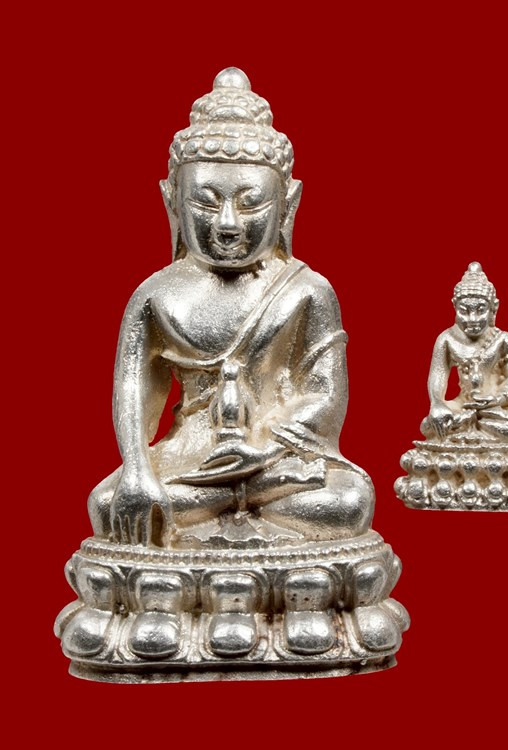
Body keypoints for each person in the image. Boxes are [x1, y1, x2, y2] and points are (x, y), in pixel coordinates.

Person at [88, 68, 373, 547]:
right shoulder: (156, 295)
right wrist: (137, 470)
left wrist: (263, 449)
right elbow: (133, 390)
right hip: (190, 458)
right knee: (108, 503)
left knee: (347, 502)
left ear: (288, 204)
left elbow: (325, 395)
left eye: (250, 203)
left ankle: (227, 502)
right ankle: (234, 501)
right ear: (172, 203)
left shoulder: (308, 291)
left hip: (276, 458)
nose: (227, 224)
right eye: (204, 202)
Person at [421, 261, 508, 441]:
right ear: (454, 307)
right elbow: (438, 375)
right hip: (461, 405)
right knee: (428, 425)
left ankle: (469, 432)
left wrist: (498, 398)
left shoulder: (502, 339)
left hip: (491, 407)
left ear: (494, 308)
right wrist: (437, 404)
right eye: (464, 311)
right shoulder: (447, 339)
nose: (472, 319)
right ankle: (470, 430)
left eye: (480, 310)